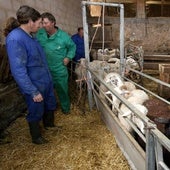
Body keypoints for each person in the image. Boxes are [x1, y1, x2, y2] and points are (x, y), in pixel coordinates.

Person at [4, 6, 57, 145]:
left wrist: (49, 79)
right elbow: (18, 70)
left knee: (49, 103)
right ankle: (36, 137)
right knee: (36, 109)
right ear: (30, 21)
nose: (40, 26)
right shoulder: (15, 39)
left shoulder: (31, 36)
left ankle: (49, 125)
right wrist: (32, 91)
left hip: (44, 79)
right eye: (39, 23)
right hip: (34, 83)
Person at [36, 12, 76, 114]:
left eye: (45, 23)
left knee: (62, 90)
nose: (43, 25)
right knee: (46, 91)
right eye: (42, 23)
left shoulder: (63, 36)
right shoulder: (39, 34)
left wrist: (68, 57)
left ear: (53, 22)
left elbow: (72, 47)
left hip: (59, 69)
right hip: (43, 69)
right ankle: (49, 110)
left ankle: (65, 108)